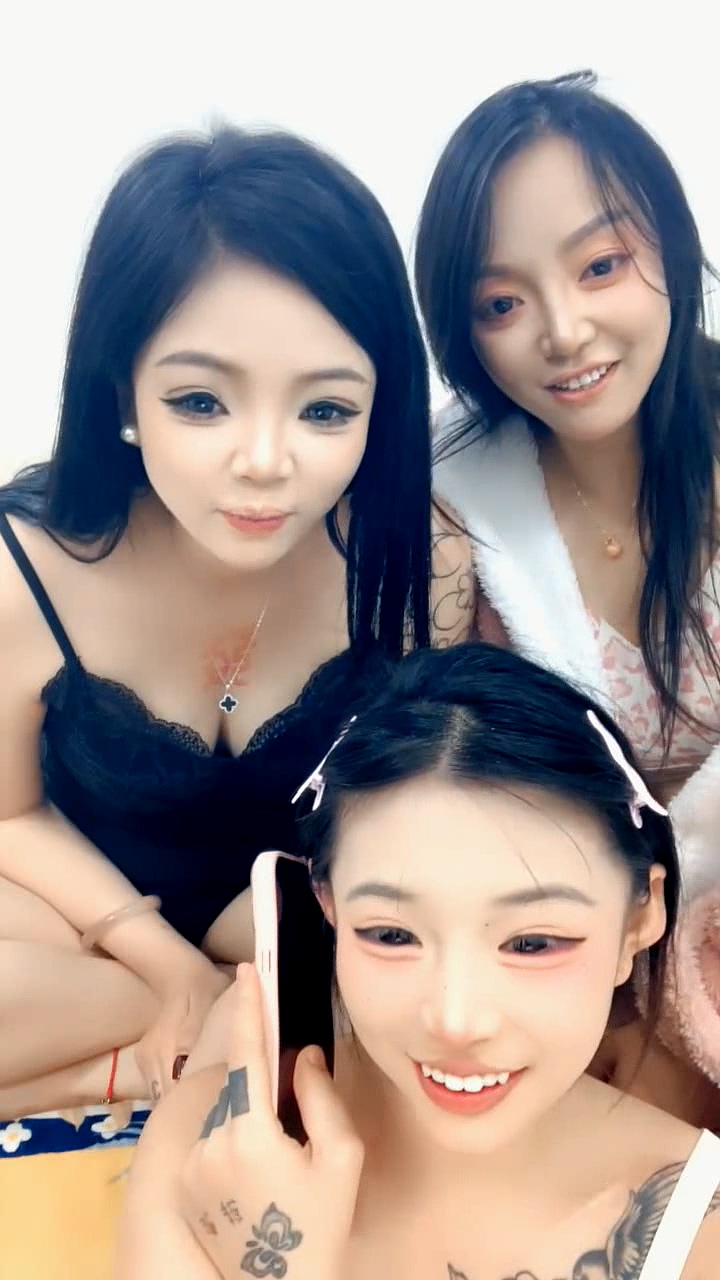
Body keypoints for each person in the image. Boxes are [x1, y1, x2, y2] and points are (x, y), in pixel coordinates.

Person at [0, 125, 471, 1275]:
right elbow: (9, 814)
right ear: (122, 390)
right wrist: (164, 966)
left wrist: (268, 953)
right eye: (203, 401)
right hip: (81, 904)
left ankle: (150, 1051)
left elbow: (428, 810)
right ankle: (143, 1053)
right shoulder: (27, 565)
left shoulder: (420, 560)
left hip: (292, 912)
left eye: (325, 411)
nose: (265, 461)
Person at [117, 642, 720, 1279]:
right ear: (327, 905)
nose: (456, 1022)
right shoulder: (213, 1155)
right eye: (392, 934)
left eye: (532, 944)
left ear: (638, 922)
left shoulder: (696, 1225)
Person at [414, 70, 720, 1126]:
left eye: (600, 266)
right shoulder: (457, 509)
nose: (563, 330)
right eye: (501, 303)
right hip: (577, 965)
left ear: (671, 248)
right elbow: (459, 798)